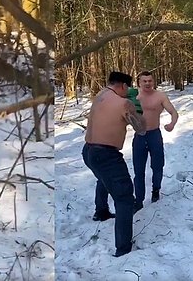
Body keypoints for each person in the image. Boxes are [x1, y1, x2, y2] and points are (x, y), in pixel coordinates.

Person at [82, 71, 147, 257]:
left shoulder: (101, 94)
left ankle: (101, 211)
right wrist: (136, 107)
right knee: (125, 198)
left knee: (104, 178)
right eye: (128, 89)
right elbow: (141, 129)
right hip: (106, 154)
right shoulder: (124, 103)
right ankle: (124, 248)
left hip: (88, 151)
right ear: (124, 86)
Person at [131, 71, 179, 211]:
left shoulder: (160, 96)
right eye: (144, 81)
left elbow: (174, 112)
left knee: (157, 166)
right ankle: (138, 200)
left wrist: (172, 124)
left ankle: (156, 190)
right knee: (138, 171)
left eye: (150, 81)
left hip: (154, 135)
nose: (147, 83)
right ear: (139, 82)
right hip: (139, 136)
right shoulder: (134, 97)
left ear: (153, 81)